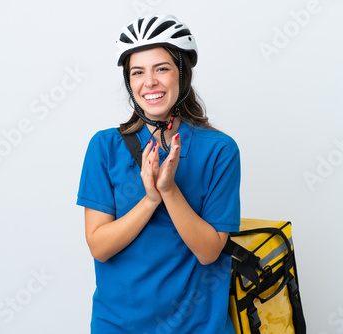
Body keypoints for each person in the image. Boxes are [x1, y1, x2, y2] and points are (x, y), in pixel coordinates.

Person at [77, 14, 241, 333]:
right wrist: (149, 200)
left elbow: (209, 252)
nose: (149, 82)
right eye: (138, 72)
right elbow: (99, 245)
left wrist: (169, 190)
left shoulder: (220, 150)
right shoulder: (105, 146)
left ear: (182, 74)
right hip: (118, 325)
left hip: (199, 326)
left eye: (161, 68)